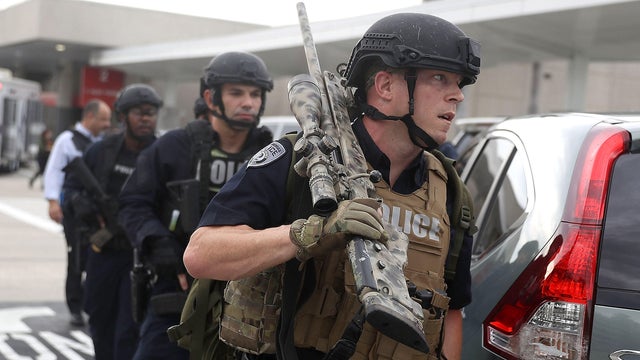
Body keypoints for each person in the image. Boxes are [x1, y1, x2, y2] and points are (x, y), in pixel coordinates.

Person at [184, 12, 480, 360]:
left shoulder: (449, 191)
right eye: (440, 78)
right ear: (385, 86)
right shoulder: (301, 159)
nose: (457, 95)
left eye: (459, 83)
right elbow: (201, 254)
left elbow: (452, 312)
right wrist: (309, 234)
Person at [118, 51, 274, 360]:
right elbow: (133, 204)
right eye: (236, 93)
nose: (248, 102)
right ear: (210, 97)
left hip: (250, 301)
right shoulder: (174, 146)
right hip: (177, 292)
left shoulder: (272, 156)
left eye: (255, 94)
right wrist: (163, 249)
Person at [65, 84, 162, 359]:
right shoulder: (102, 151)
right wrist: (80, 204)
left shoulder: (163, 152)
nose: (145, 118)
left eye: (150, 113)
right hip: (104, 251)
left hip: (142, 255)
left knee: (130, 326)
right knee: (98, 316)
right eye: (138, 113)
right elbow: (71, 186)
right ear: (122, 116)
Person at [43, 99, 112, 326]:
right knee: (76, 259)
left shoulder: (101, 142)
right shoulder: (68, 140)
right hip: (73, 212)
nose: (107, 124)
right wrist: (53, 202)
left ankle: (88, 302)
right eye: (103, 119)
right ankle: (75, 307)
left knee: (95, 257)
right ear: (90, 117)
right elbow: (53, 171)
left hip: (95, 212)